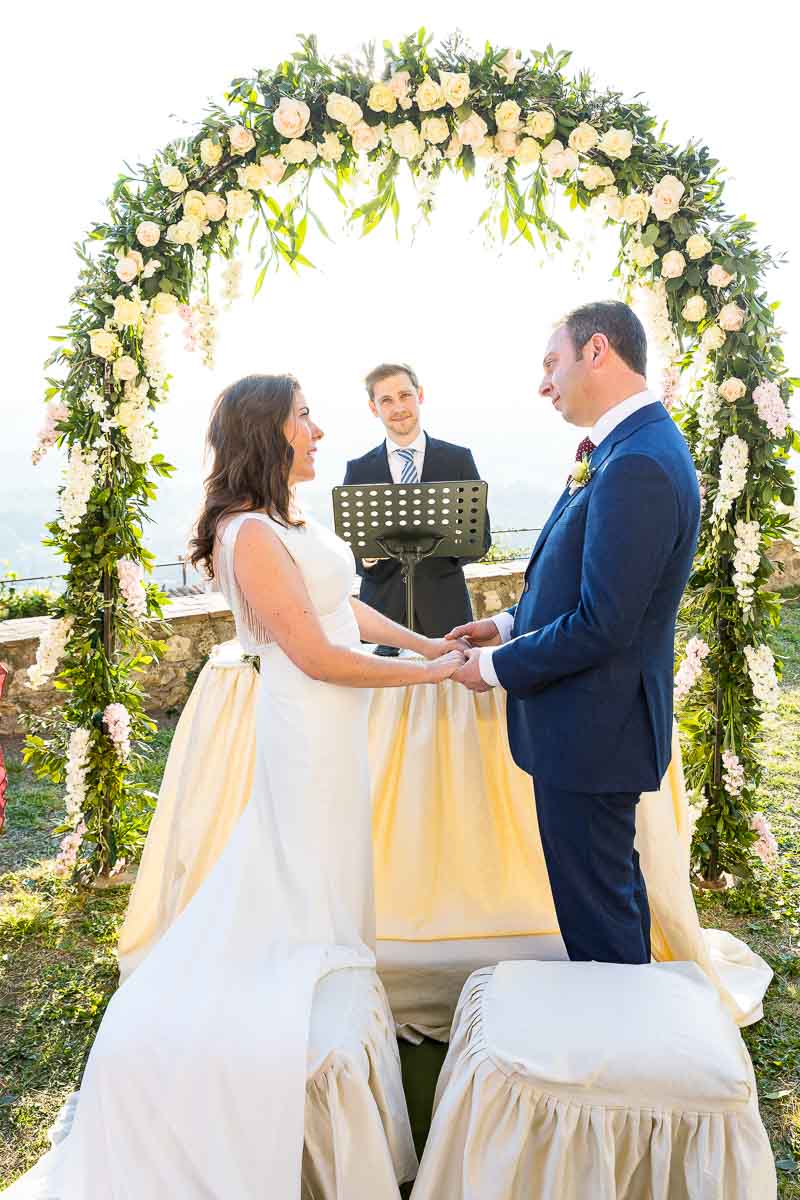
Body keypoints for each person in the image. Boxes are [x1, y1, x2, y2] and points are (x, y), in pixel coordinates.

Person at [4, 374, 464, 1198]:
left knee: (332, 875)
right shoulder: (248, 534)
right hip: (307, 729)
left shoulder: (287, 516)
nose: (319, 430)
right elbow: (317, 657)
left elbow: (345, 614)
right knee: (300, 878)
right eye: (305, 416)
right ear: (268, 431)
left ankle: (340, 1008)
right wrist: (436, 681)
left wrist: (429, 646)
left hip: (335, 731)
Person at [449, 301, 700, 966]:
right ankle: (633, 1028)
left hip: (595, 730)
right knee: (606, 898)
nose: (544, 383)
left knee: (599, 919)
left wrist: (497, 666)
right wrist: (504, 622)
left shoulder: (639, 462)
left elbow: (603, 622)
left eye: (551, 363)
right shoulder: (621, 447)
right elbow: (581, 579)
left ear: (597, 351)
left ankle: (625, 1054)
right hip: (592, 727)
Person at [343, 363, 491, 652]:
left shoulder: (458, 460)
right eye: (386, 400)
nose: (398, 407)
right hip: (381, 618)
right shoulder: (358, 470)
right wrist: (367, 559)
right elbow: (350, 553)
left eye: (404, 395)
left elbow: (481, 539)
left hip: (446, 612)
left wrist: (448, 545)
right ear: (374, 408)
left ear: (419, 395)